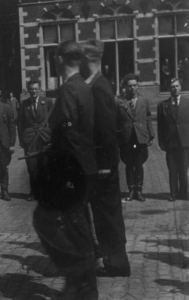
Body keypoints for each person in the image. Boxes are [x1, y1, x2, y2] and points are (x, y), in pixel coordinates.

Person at [33, 40, 98, 300]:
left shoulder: (70, 89)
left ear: (59, 59)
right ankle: (82, 289)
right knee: (78, 228)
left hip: (73, 173)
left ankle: (79, 286)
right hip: (84, 169)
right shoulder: (83, 86)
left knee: (48, 221)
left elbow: (70, 135)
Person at [81, 39, 131, 277]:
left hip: (104, 166)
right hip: (100, 164)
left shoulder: (99, 86)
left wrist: (104, 164)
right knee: (104, 215)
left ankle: (118, 264)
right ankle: (113, 261)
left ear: (89, 60)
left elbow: (108, 130)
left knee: (109, 215)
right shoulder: (96, 84)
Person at [118, 73, 154, 202]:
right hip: (127, 138)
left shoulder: (143, 101)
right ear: (126, 87)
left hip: (140, 137)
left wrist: (151, 134)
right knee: (128, 164)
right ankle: (131, 190)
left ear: (138, 86)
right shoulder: (120, 102)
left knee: (139, 164)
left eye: (134, 85)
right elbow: (117, 121)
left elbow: (148, 117)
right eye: (130, 86)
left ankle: (139, 190)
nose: (132, 88)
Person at [17, 80, 52, 202]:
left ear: (40, 89)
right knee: (31, 167)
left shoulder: (46, 102)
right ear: (28, 90)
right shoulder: (23, 104)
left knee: (44, 166)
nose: (33, 91)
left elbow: (52, 121)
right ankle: (33, 192)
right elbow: (20, 123)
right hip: (30, 139)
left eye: (36, 89)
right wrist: (21, 140)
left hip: (44, 137)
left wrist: (53, 137)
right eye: (31, 89)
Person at [157, 78, 189, 201]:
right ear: (168, 89)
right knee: (172, 168)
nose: (175, 89)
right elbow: (160, 127)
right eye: (172, 87)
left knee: (184, 167)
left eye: (177, 86)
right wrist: (161, 143)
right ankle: (173, 194)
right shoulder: (162, 105)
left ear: (180, 87)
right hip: (170, 142)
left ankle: (184, 193)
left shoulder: (187, 103)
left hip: (185, 141)